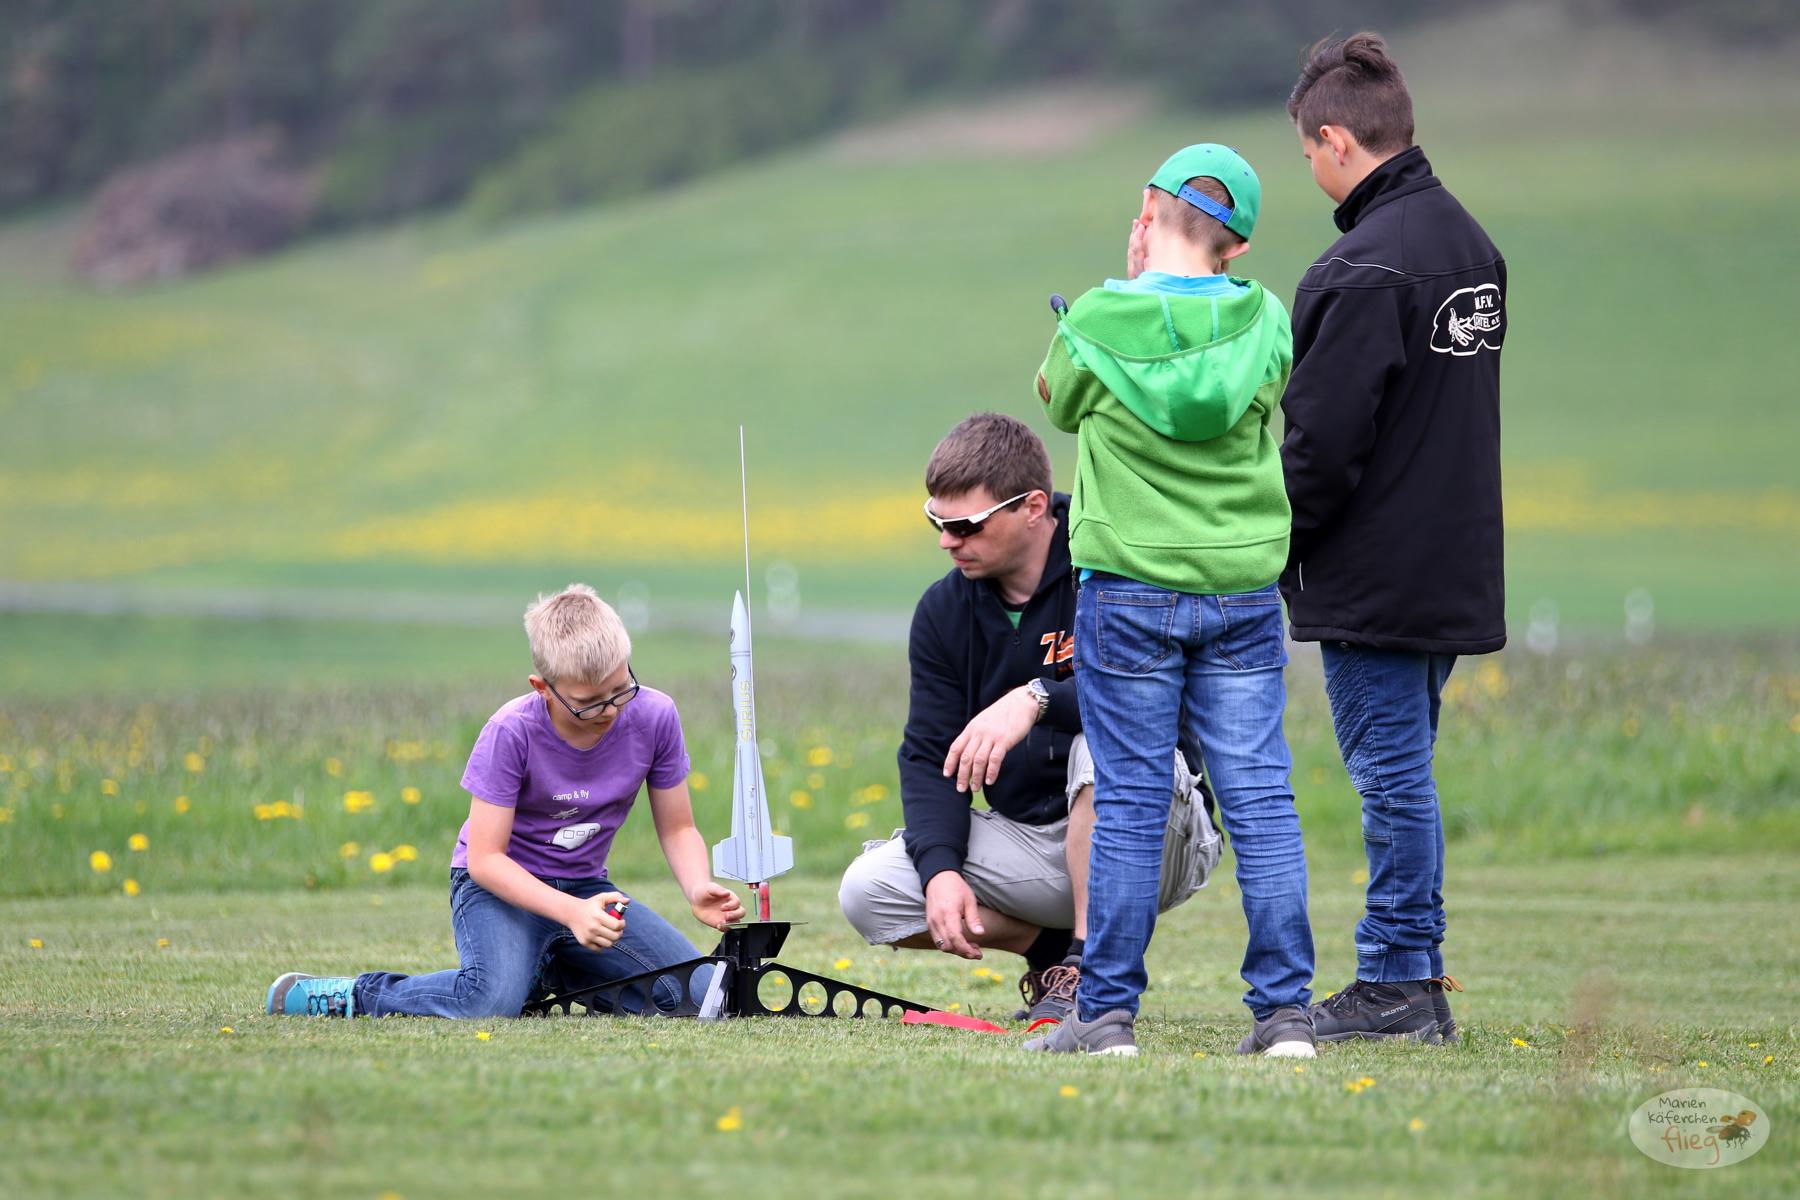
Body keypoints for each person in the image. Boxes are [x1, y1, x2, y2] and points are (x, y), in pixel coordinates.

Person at [1030, 144, 1314, 1058]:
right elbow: (1268, 389)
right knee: (1260, 797)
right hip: (1240, 591)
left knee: (1129, 798)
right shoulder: (1265, 317)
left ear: (1147, 212)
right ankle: (1285, 1016)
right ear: (1237, 245)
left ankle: (1106, 1014)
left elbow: (1056, 401)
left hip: (1128, 590)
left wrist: (1126, 288)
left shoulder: (1098, 317)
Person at [838, 413, 1220, 1029]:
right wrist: (940, 871)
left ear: (1034, 507)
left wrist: (1037, 697)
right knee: (868, 891)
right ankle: (1054, 956)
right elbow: (929, 755)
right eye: (936, 522)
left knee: (1099, 746)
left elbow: (1150, 699)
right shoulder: (942, 612)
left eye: (966, 525)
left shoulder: (1115, 564)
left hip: (1155, 828)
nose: (947, 541)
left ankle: (1093, 970)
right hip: (1032, 840)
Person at [1279, 33, 1506, 1044]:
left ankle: (1398, 982)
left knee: (1391, 779)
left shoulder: (1361, 266)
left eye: (1308, 153)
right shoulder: (1470, 248)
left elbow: (1319, 447)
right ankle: (1413, 977)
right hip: (1452, 564)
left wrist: (1271, 547)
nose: (1313, 172)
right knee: (1406, 770)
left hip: (1376, 577)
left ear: (1336, 139)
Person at [265, 583, 744, 1019]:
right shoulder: (509, 731)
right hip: (498, 890)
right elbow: (485, 860)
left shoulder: (656, 715)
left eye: (621, 690)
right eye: (589, 703)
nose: (611, 710)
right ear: (543, 688)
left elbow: (678, 827)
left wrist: (696, 887)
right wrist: (570, 913)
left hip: (586, 888)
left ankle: (552, 972)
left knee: (701, 995)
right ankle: (358, 995)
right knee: (489, 1001)